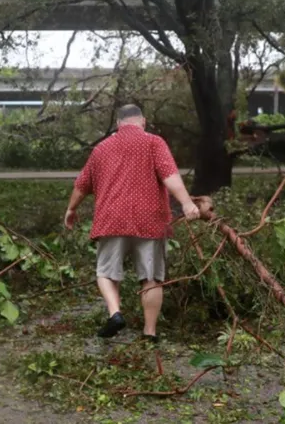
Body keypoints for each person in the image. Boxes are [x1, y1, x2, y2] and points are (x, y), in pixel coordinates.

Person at [64, 104, 200, 342]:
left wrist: (71, 209)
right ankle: (149, 333)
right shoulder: (154, 143)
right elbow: (170, 175)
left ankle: (115, 313)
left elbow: (81, 184)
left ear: (118, 124)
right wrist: (187, 202)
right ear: (143, 122)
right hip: (150, 219)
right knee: (151, 277)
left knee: (106, 272)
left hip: (112, 218)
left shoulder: (101, 149)